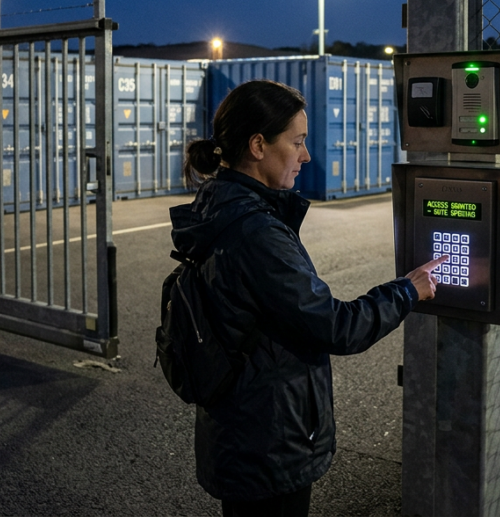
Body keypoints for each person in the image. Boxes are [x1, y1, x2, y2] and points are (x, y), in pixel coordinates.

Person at [170, 79, 446, 517]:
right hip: (269, 441)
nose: (306, 156)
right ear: (258, 145)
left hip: (239, 427)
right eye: (297, 142)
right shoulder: (256, 233)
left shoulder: (219, 204)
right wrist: (408, 289)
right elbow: (336, 326)